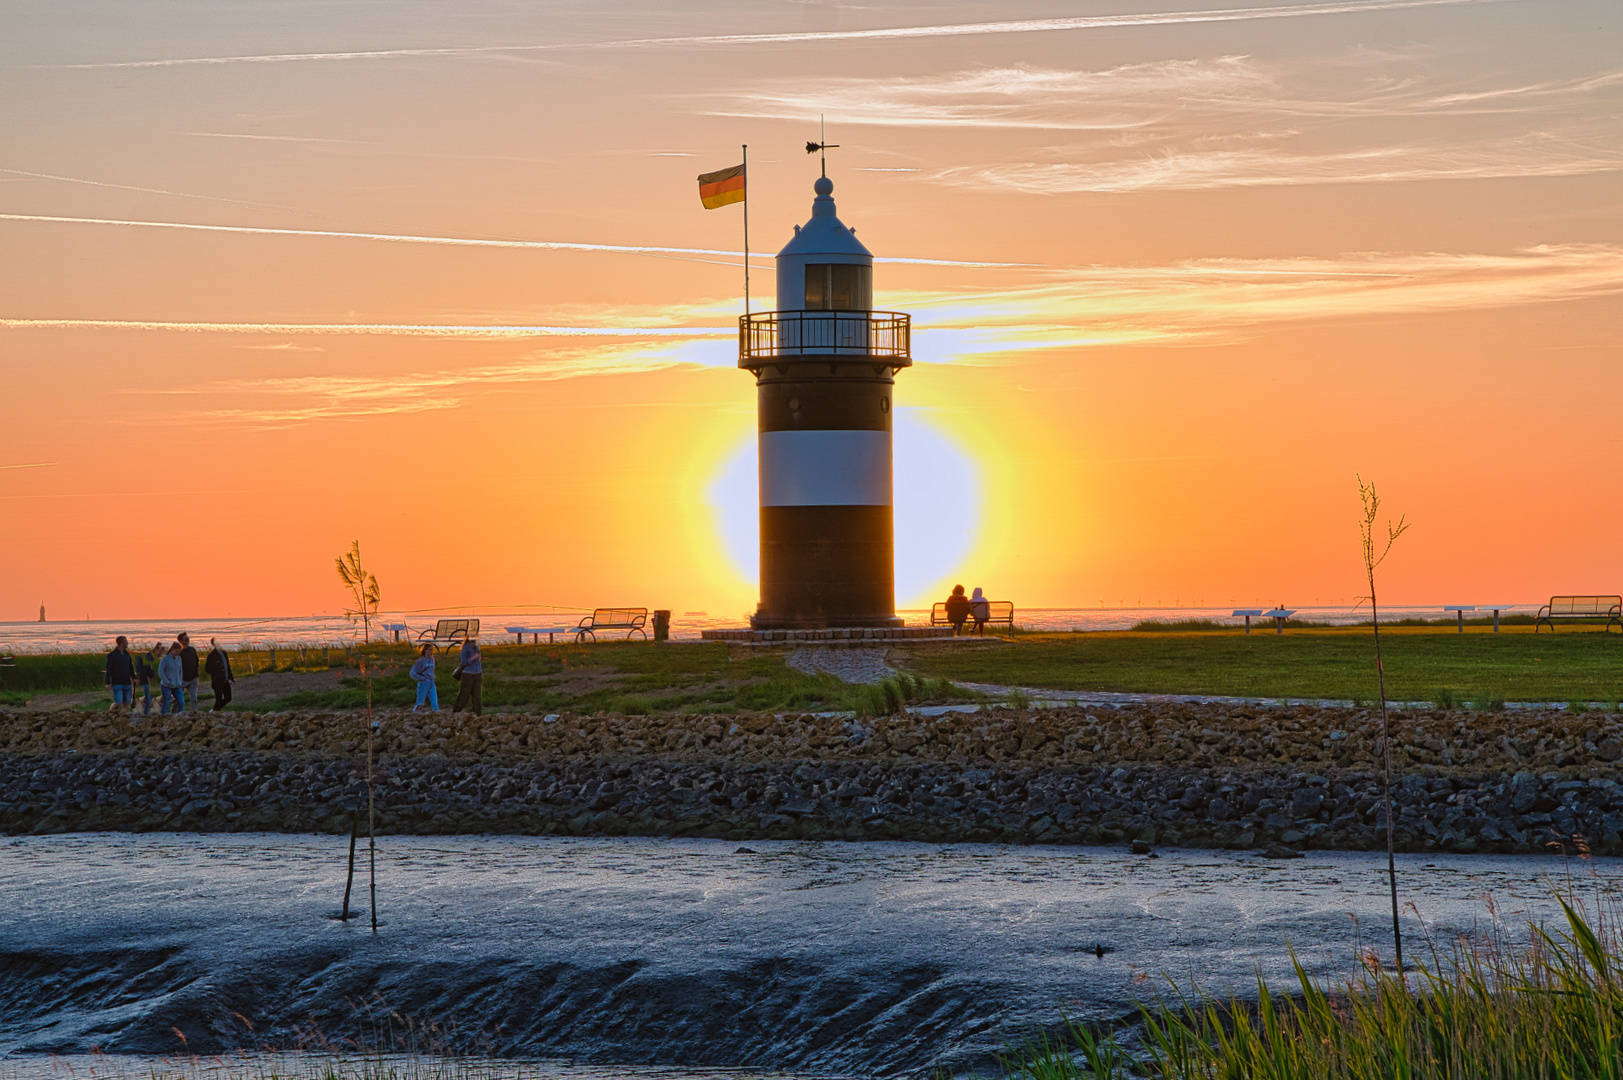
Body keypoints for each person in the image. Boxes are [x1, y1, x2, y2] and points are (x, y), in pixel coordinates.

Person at [104, 636, 135, 713]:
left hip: (127, 682)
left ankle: (124, 717)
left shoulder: (127, 655)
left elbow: (130, 667)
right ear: (121, 643)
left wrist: (133, 677)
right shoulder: (112, 655)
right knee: (118, 702)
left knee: (126, 703)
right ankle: (111, 711)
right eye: (125, 641)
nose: (127, 643)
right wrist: (107, 682)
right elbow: (109, 669)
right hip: (117, 682)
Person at [452, 637, 483, 715]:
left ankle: (478, 714)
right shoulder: (465, 648)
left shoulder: (476, 647)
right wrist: (472, 658)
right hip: (468, 674)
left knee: (477, 696)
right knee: (464, 695)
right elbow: (463, 662)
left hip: (477, 673)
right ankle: (456, 711)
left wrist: (479, 658)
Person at [204, 637, 234, 711]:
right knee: (219, 699)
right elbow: (207, 669)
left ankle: (215, 710)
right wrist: (216, 674)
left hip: (225, 680)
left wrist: (231, 678)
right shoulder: (212, 655)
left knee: (228, 698)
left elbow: (227, 666)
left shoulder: (224, 653)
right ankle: (215, 712)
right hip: (217, 681)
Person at [134, 642, 162, 716]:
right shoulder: (147, 657)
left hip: (145, 677)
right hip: (144, 678)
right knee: (146, 696)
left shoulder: (148, 656)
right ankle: (145, 712)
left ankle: (146, 711)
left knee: (146, 695)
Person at [410, 644, 439, 712]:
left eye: (432, 650)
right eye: (430, 650)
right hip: (424, 682)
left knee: (434, 701)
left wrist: (433, 676)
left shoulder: (432, 659)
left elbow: (432, 669)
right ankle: (416, 713)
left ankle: (436, 713)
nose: (431, 652)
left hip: (431, 682)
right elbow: (412, 673)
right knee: (420, 702)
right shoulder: (420, 661)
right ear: (425, 651)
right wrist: (422, 678)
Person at [158, 643, 185, 715]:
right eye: (177, 651)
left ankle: (180, 718)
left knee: (181, 703)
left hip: (177, 685)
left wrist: (180, 681)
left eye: (179, 652)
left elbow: (180, 670)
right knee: (166, 705)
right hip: (167, 686)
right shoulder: (165, 659)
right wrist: (166, 681)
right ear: (172, 649)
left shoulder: (179, 658)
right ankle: (164, 718)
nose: (178, 653)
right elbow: (160, 671)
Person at [177, 632, 200, 712]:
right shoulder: (179, 653)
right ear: (181, 641)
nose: (188, 641)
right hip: (182, 680)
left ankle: (195, 713)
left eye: (188, 639)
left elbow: (196, 661)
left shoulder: (192, 650)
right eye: (186, 639)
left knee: (194, 698)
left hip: (193, 679)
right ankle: (174, 714)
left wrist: (196, 674)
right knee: (178, 699)